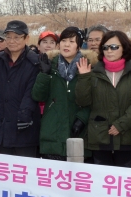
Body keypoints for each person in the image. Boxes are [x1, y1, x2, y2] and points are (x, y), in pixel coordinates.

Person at [74, 31, 131, 168]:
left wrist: (121, 124)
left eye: (114, 47)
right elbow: (83, 101)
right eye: (105, 47)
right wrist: (83, 78)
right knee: (102, 180)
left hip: (126, 134)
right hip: (100, 134)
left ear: (124, 47)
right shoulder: (94, 72)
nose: (109, 51)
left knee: (122, 179)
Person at [32, 26, 91, 160]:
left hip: (79, 136)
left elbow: (93, 101)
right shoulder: (50, 65)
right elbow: (38, 96)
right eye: (64, 40)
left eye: (71, 41)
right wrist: (44, 74)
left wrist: (82, 119)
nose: (66, 44)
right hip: (52, 135)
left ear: (79, 46)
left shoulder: (88, 67)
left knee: (76, 179)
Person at [0, 20, 41, 158]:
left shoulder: (35, 62)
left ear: (27, 38)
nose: (12, 41)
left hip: (25, 128)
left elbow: (32, 93)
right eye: (9, 37)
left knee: (24, 172)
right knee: (3, 171)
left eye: (17, 37)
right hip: (0, 128)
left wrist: (24, 116)